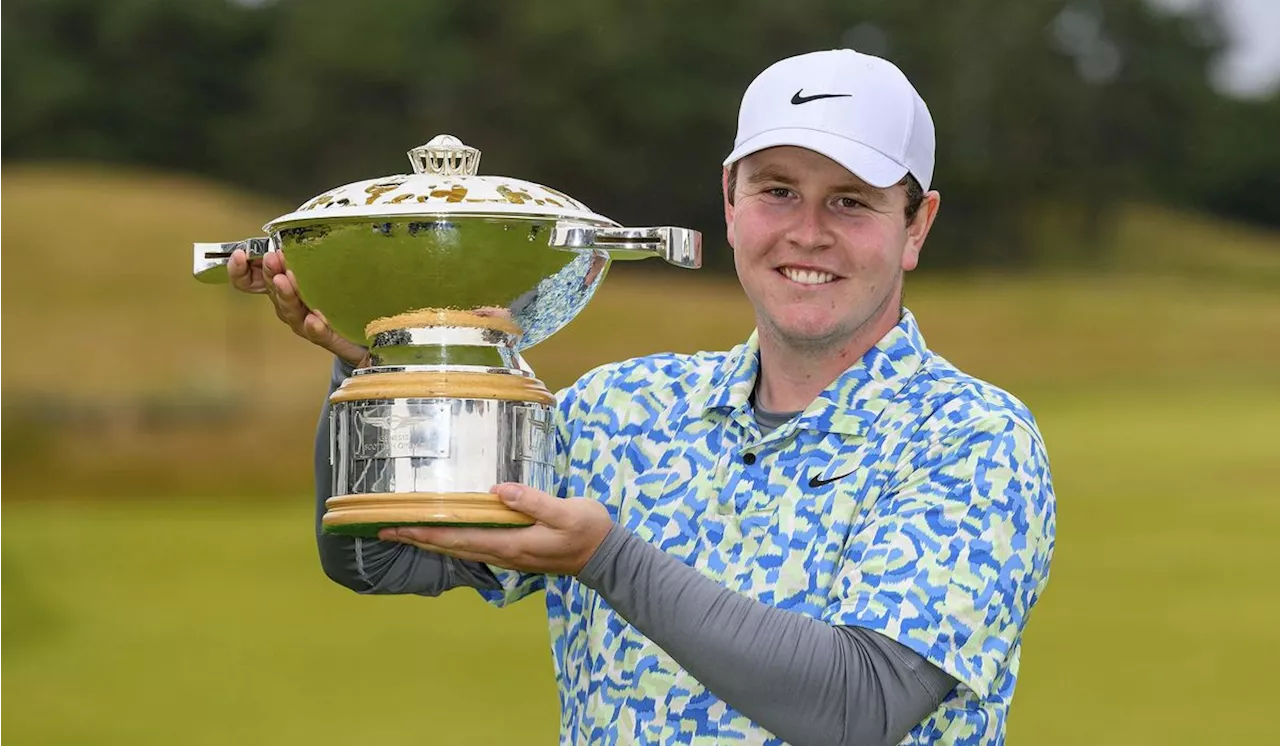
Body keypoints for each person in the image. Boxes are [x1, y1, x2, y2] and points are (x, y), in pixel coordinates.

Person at [230, 49, 1056, 746]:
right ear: (729, 200)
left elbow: (859, 705)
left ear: (917, 225)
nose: (808, 232)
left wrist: (605, 558)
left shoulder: (974, 440)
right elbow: (378, 559)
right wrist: (388, 371)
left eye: (851, 200)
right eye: (778, 190)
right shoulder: (621, 410)